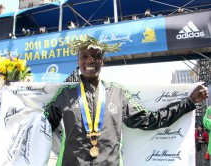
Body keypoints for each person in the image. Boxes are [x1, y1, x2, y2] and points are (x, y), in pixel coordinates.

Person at [44, 35, 209, 165]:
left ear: (102, 61)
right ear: (78, 61)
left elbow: (149, 120)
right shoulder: (65, 95)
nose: (90, 60)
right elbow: (41, 127)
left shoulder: (117, 93)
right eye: (84, 56)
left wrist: (188, 102)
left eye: (96, 56)